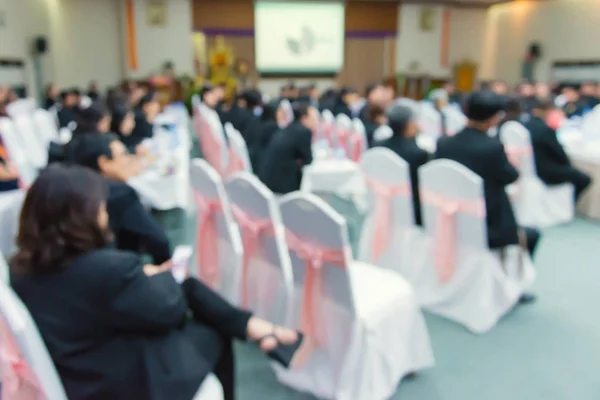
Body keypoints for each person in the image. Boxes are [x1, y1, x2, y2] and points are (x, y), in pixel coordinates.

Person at [10, 164, 302, 400]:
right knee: (209, 329)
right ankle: (258, 331)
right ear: (78, 219)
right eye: (99, 209)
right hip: (121, 382)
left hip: (78, 374)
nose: (105, 215)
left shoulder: (20, 270)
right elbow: (167, 314)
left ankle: (257, 329)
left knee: (179, 285)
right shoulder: (108, 270)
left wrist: (148, 278)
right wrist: (160, 278)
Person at [435, 91, 540, 302]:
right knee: (532, 234)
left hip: (450, 218)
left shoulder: (444, 143)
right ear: (494, 118)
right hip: (488, 224)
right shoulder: (491, 147)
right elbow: (509, 176)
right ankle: (512, 287)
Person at [69, 133, 167, 263]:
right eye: (122, 155)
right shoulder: (120, 194)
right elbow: (158, 240)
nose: (128, 160)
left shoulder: (71, 189)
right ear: (104, 163)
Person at [525, 99, 591, 201]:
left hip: (532, 167)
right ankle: (571, 203)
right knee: (584, 179)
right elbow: (560, 154)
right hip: (546, 170)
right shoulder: (545, 130)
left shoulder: (527, 125)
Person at [375, 105, 430, 226]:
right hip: (411, 213)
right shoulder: (419, 154)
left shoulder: (377, 146)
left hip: (381, 205)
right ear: (409, 124)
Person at [259, 102, 316, 194]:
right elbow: (308, 160)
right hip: (283, 185)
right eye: (314, 117)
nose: (316, 121)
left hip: (268, 180)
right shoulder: (304, 131)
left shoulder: (288, 128)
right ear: (304, 117)